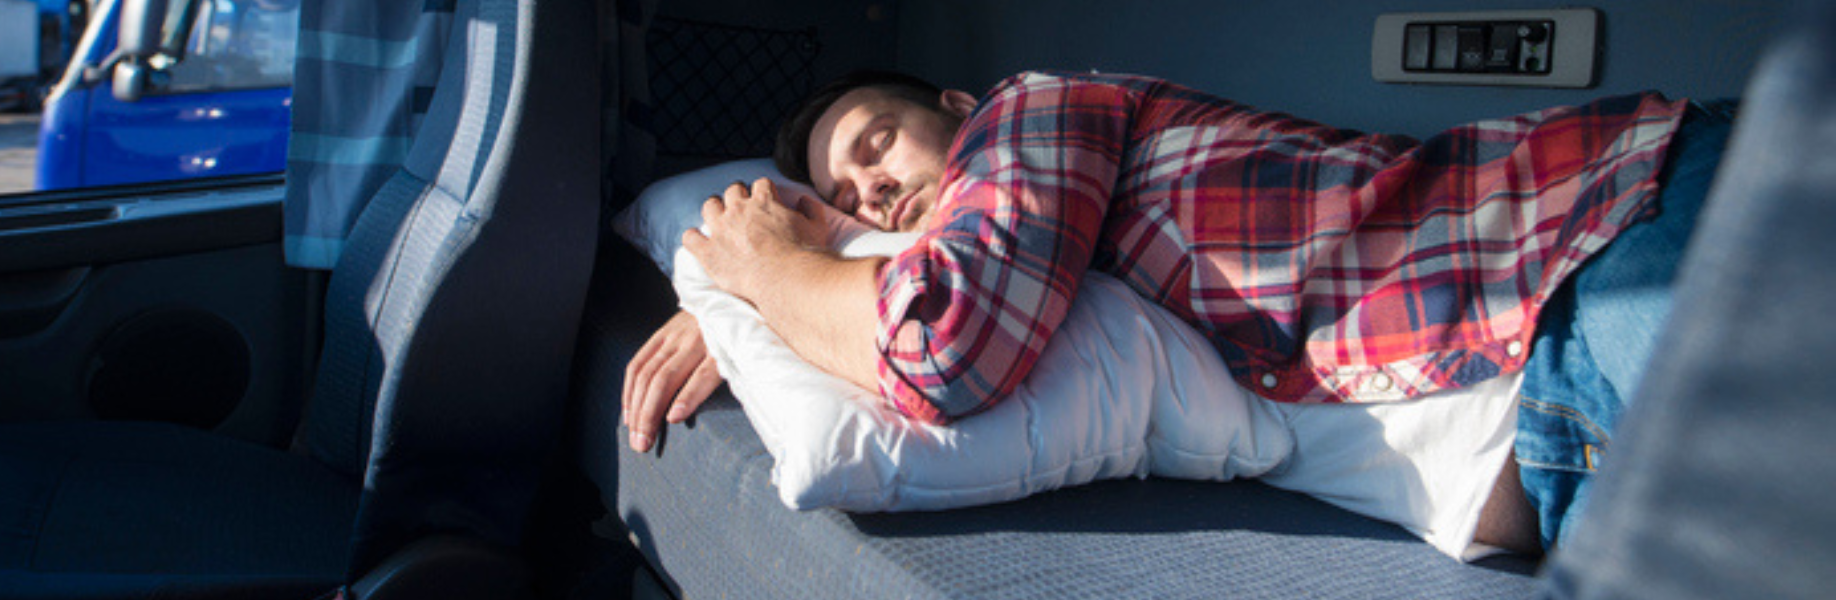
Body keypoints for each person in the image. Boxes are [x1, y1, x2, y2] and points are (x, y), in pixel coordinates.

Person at [623, 69, 1734, 554]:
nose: (874, 192)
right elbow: (905, 298)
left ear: (955, 107)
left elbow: (944, 345)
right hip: (1568, 454)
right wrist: (738, 312)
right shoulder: (975, 247)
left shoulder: (1034, 110)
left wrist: (762, 269)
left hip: (1613, 246)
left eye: (878, 142)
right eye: (851, 201)